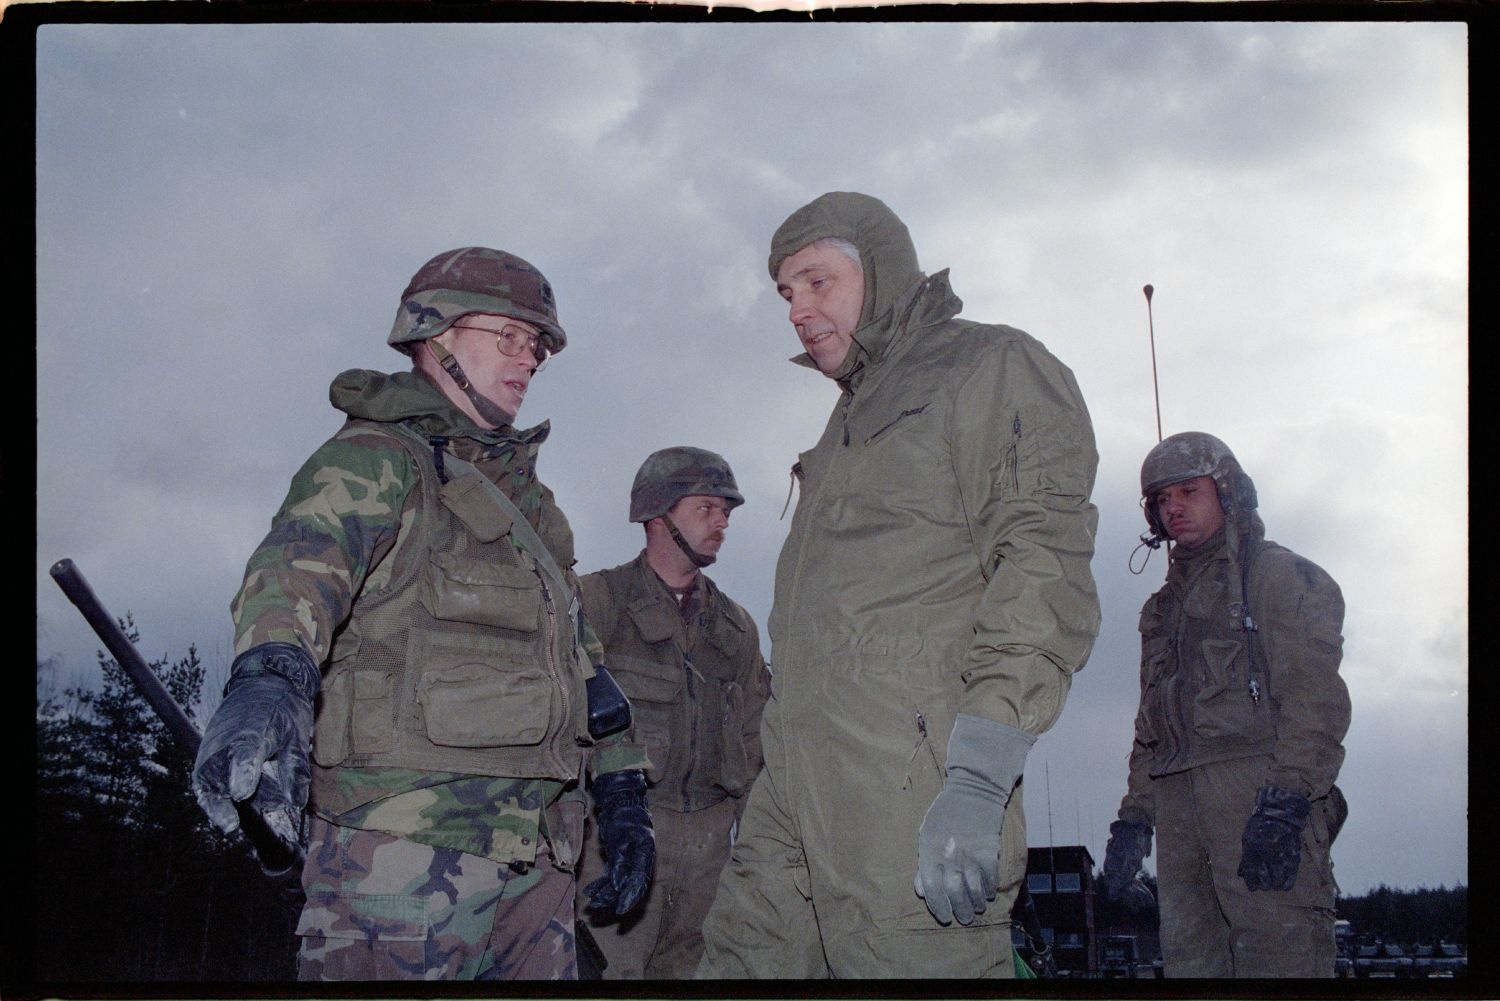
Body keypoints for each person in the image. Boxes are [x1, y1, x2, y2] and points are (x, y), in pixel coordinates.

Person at [190, 247, 654, 981]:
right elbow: (299, 569)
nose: (528, 357)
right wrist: (270, 677)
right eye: (508, 335)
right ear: (434, 335)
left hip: (540, 860)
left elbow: (581, 660)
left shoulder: (533, 508)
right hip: (402, 855)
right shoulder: (375, 459)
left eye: (536, 345)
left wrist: (624, 794)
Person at [696, 191, 1101, 978]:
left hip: (907, 796)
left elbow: (1042, 569)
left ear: (878, 272)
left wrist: (979, 777)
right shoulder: (847, 418)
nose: (796, 310)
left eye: (816, 281)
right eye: (785, 293)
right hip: (795, 794)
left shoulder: (990, 367)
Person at [1100, 431, 1350, 977]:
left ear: (1229, 492)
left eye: (1189, 491)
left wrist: (1286, 803)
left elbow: (1315, 701)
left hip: (1257, 800)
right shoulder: (1161, 608)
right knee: (1193, 966)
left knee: (1280, 960)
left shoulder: (1278, 576)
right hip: (1180, 812)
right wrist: (1134, 821)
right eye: (1162, 500)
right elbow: (1152, 726)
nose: (1174, 509)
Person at [576, 447, 771, 978]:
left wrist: (759, 853)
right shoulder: (596, 603)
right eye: (706, 507)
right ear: (657, 514)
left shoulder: (736, 628)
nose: (721, 523)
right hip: (619, 834)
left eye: (726, 512)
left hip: (712, 849)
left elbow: (757, 741)